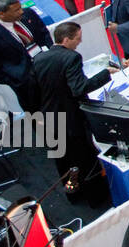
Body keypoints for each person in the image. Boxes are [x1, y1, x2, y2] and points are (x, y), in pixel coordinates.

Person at [29, 22, 109, 201]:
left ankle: (72, 193)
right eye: (77, 40)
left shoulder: (40, 58)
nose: (79, 43)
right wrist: (104, 74)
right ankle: (95, 198)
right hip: (71, 120)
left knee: (62, 159)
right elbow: (79, 88)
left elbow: (35, 89)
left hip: (50, 117)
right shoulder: (72, 57)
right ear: (66, 39)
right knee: (85, 159)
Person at [0, 0, 53, 111]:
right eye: (16, 10)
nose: (21, 12)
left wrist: (51, 52)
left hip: (48, 67)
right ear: (1, 14)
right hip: (27, 85)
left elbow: (43, 33)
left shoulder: (28, 14)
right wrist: (18, 81)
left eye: (20, 7)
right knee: (42, 117)